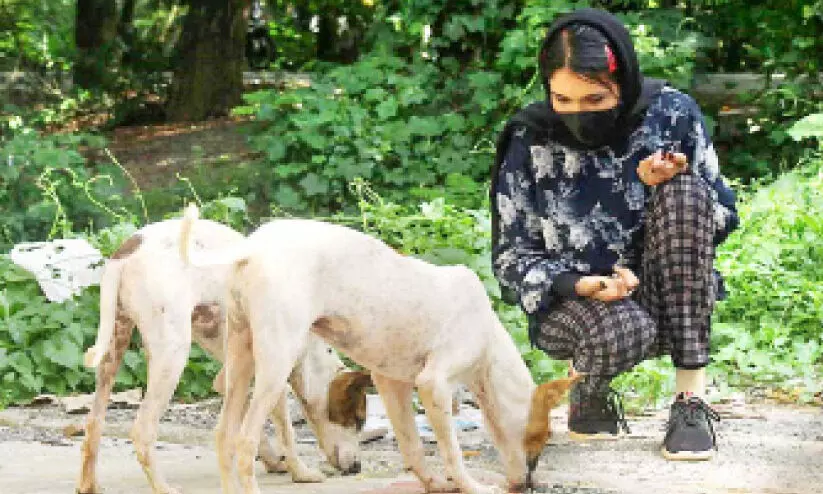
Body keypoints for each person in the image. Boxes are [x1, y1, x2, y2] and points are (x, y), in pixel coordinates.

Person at [491, 8, 739, 461]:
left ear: (621, 83)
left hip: (666, 288)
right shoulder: (530, 136)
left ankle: (690, 403)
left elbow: (721, 215)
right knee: (622, 329)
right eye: (562, 100)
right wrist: (577, 283)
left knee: (687, 191)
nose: (577, 114)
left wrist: (663, 187)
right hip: (580, 306)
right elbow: (510, 258)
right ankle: (589, 388)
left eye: (594, 100)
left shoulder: (671, 114)